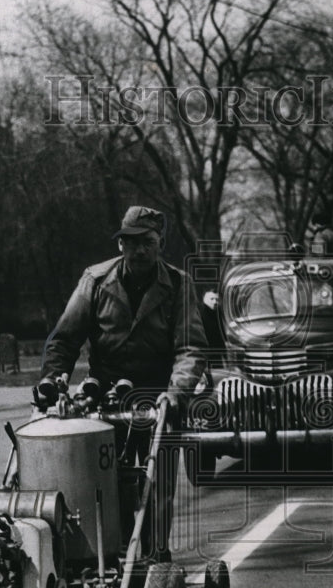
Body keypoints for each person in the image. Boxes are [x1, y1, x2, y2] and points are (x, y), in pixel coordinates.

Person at [39, 205, 208, 562]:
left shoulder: (179, 285)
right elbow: (65, 339)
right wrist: (52, 384)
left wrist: (175, 393)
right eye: (131, 243)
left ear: (160, 243)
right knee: (104, 483)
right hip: (104, 395)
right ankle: (113, 561)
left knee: (156, 486)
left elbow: (190, 347)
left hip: (159, 396)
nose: (139, 250)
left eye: (147, 242)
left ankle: (156, 560)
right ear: (120, 246)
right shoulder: (96, 281)